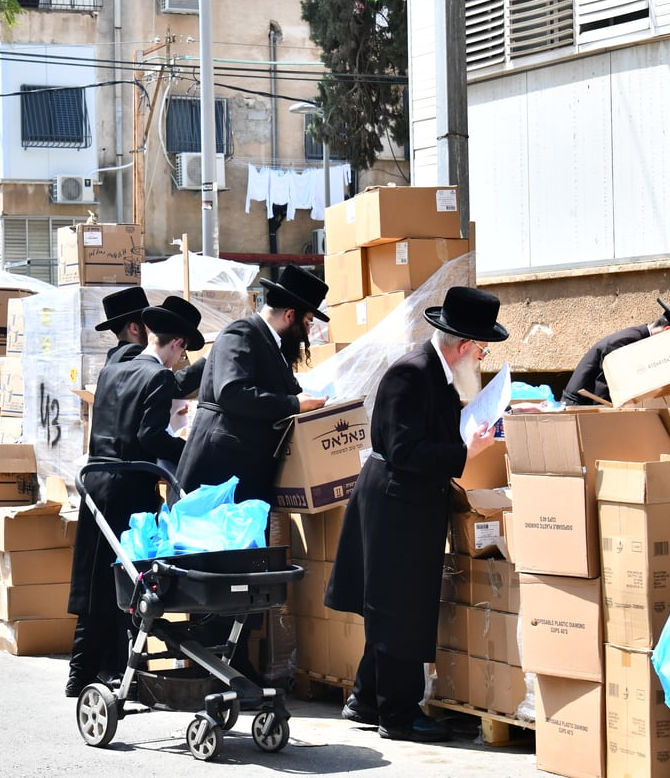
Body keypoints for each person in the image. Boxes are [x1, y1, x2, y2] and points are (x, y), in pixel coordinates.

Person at [324, 286, 508, 743]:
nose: (481, 357)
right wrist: (466, 451)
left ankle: (366, 700)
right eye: (481, 348)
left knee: (393, 606)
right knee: (400, 608)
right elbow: (406, 450)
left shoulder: (435, 374)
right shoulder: (413, 373)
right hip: (395, 504)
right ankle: (398, 715)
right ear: (463, 345)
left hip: (407, 502)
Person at [66, 296, 205, 697]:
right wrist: (189, 450)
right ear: (177, 343)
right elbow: (149, 437)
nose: (181, 362)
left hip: (96, 484)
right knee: (128, 582)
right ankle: (118, 673)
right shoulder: (157, 378)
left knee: (94, 581)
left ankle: (80, 673)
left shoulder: (114, 370)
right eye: (183, 353)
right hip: (130, 488)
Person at [176, 264, 328, 504]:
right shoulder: (241, 334)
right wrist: (293, 404)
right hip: (220, 474)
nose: (306, 333)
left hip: (246, 472)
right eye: (308, 322)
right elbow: (232, 392)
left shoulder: (273, 345)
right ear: (290, 315)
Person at [561, 292, 670, 405]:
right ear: (668, 331)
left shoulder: (639, 340)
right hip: (578, 410)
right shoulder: (626, 344)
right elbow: (604, 393)